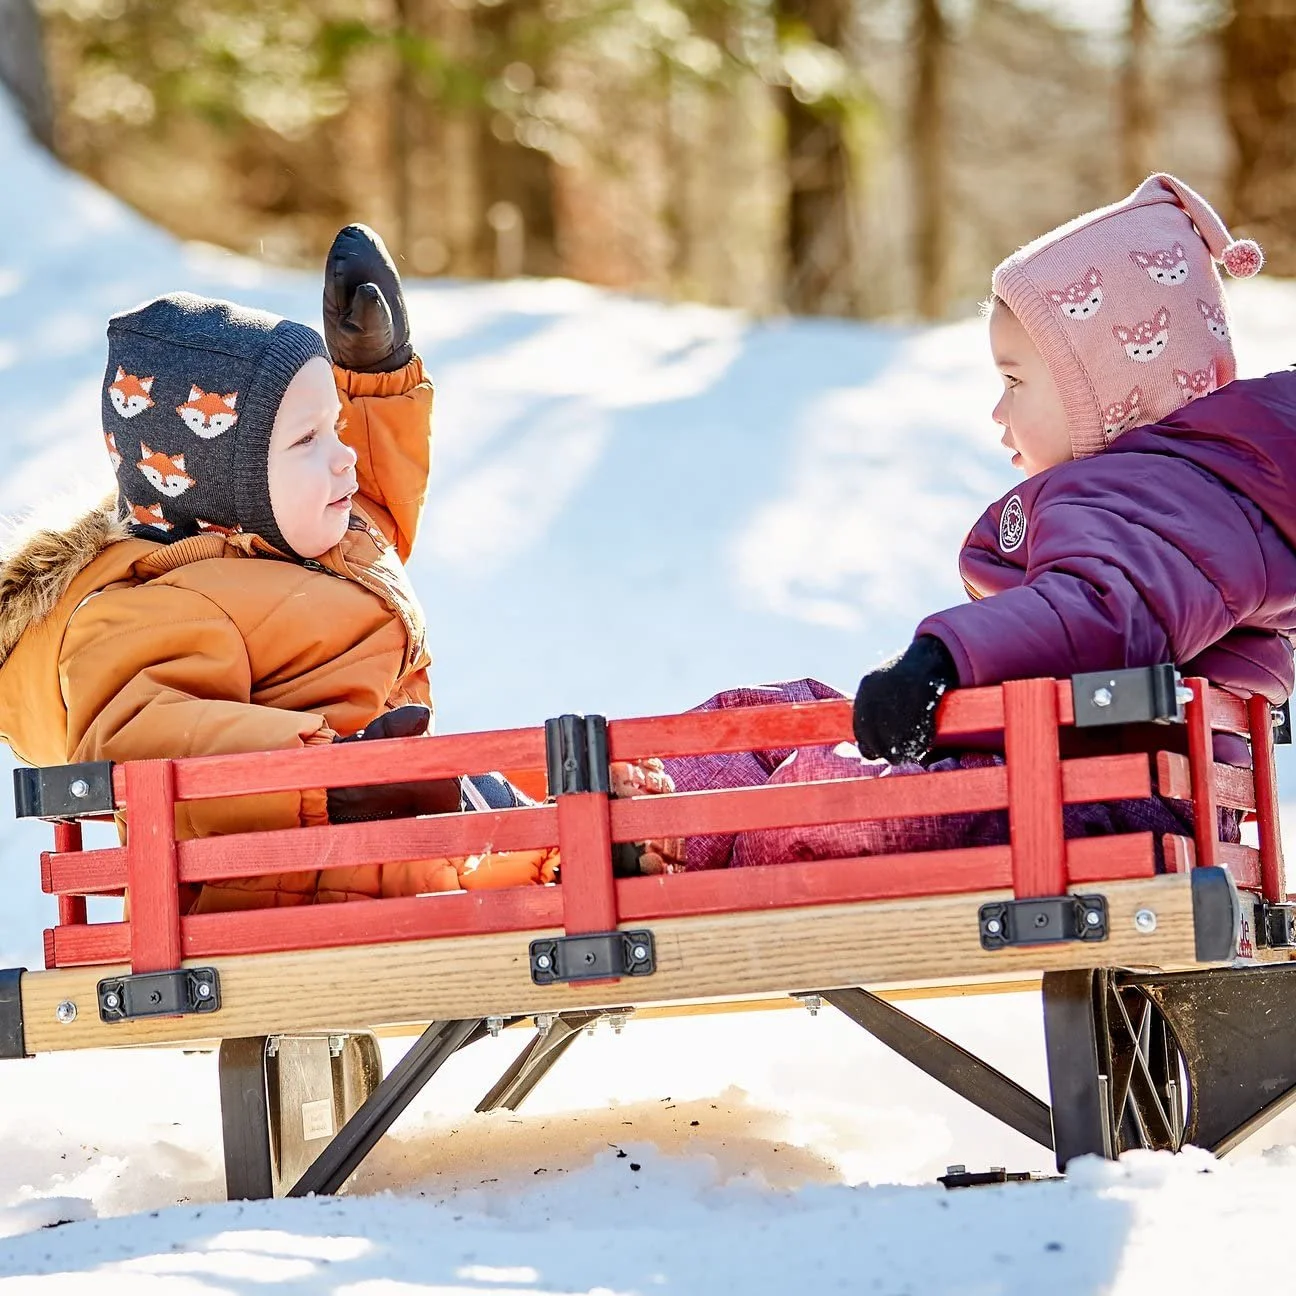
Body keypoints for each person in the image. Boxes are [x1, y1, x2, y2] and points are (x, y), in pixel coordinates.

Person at [0, 224, 674, 909]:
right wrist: (331, 779)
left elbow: (370, 516)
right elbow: (150, 744)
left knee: (508, 791)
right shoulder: (148, 607)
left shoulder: (294, 544)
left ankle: (594, 835)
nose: (343, 455)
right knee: (486, 816)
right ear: (224, 486)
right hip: (303, 885)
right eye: (307, 439)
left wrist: (375, 377)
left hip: (384, 844)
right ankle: (583, 852)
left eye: (338, 428)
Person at [667, 173, 1295, 870]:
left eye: (1016, 381)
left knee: (832, 792)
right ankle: (643, 812)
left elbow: (1106, 614)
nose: (998, 411)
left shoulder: (1157, 499)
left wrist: (941, 658)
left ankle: (672, 860)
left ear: (1109, 391)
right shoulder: (1168, 500)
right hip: (1065, 778)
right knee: (775, 717)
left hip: (1106, 802)